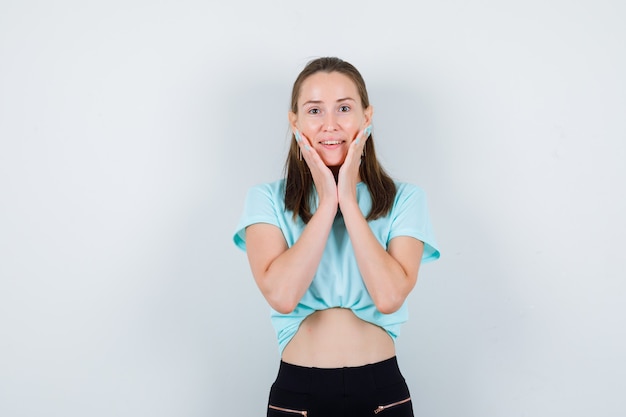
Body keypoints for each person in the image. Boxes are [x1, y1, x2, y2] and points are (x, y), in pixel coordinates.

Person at [233, 57, 440, 417]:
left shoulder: (406, 199)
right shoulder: (265, 200)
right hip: (299, 396)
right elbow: (282, 296)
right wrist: (328, 201)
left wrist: (349, 200)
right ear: (294, 121)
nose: (330, 124)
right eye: (315, 110)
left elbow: (389, 296)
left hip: (381, 393)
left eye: (344, 108)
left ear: (366, 116)